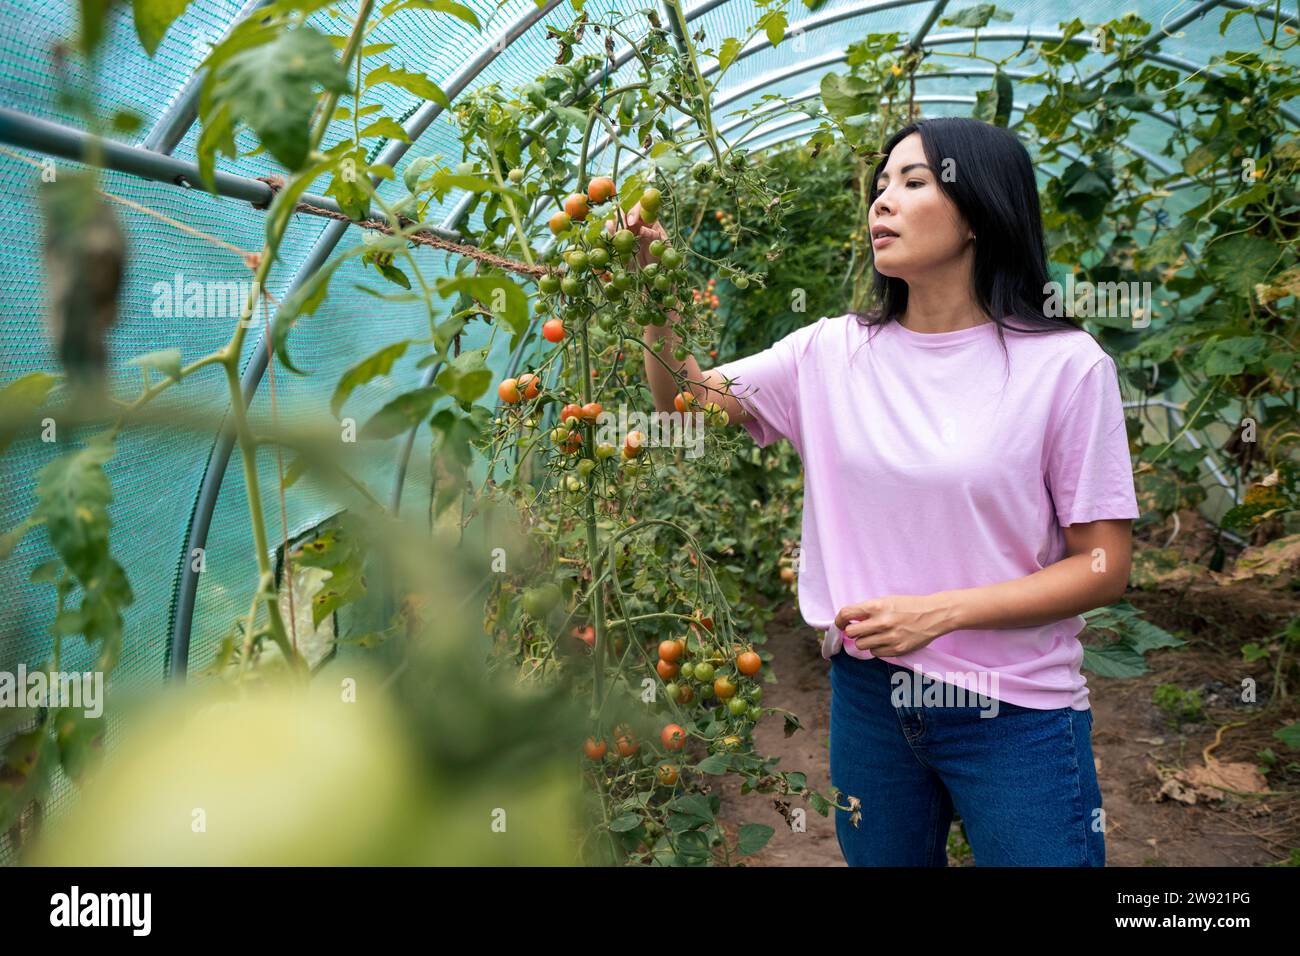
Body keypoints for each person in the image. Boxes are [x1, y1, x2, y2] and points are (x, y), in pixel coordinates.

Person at [618, 116, 1139, 866]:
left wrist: (941, 612)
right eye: (880, 185)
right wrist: (652, 284)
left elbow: (1104, 566)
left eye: (913, 182)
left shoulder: (1065, 367)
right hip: (871, 701)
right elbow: (686, 401)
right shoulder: (829, 354)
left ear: (979, 213)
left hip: (1014, 708)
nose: (882, 202)